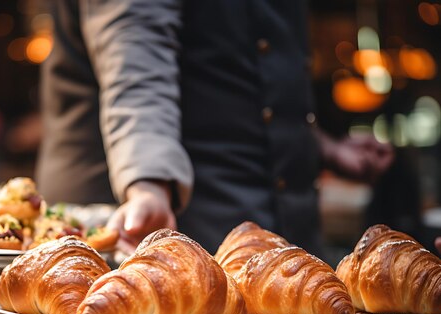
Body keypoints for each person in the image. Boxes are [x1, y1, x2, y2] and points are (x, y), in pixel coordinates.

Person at [35, 0, 393, 255]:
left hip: (265, 219)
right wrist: (148, 184)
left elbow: (240, 79)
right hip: (149, 219)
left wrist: (319, 145)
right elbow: (136, 49)